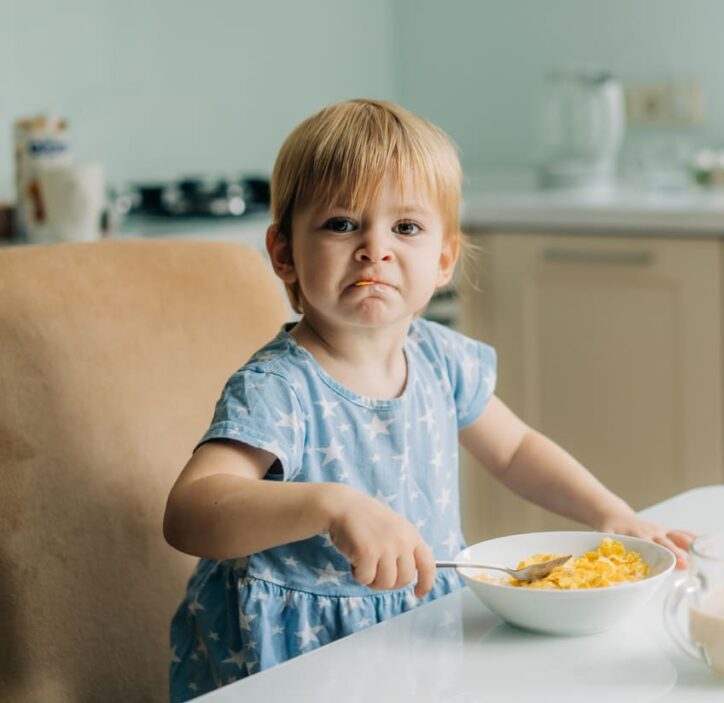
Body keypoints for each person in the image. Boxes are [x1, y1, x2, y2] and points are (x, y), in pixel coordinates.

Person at [162, 99, 695, 700]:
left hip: (414, 622)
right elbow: (189, 512)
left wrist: (608, 513)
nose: (375, 248)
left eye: (406, 228)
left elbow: (516, 451)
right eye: (342, 224)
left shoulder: (442, 359)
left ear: (443, 260)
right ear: (284, 254)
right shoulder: (278, 387)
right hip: (296, 654)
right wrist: (330, 505)